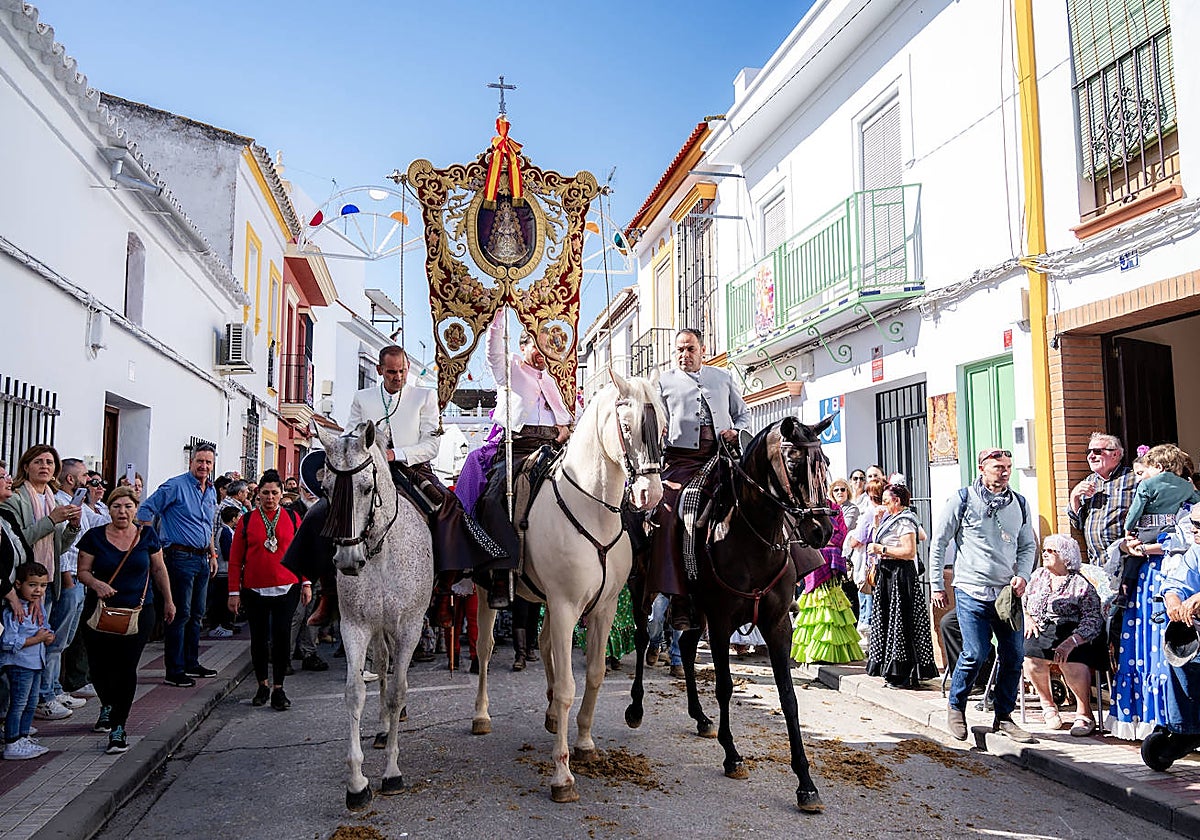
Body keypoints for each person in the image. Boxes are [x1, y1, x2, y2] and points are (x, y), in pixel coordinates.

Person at [344, 345, 505, 609]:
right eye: (391, 372)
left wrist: (396, 454)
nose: (398, 377)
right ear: (379, 370)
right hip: (368, 471)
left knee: (450, 509)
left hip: (411, 469)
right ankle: (327, 592)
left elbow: (431, 446)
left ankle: (445, 584)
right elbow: (349, 434)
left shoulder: (424, 397)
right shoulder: (362, 398)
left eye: (402, 371)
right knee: (326, 510)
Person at [931, 448, 1037, 743]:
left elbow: (1028, 545)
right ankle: (956, 705)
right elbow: (939, 541)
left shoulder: (1019, 503)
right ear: (981, 468)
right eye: (997, 467)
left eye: (1008, 467)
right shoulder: (964, 499)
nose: (1004, 472)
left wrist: (1024, 575)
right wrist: (936, 582)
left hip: (1006, 593)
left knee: (1014, 655)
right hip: (971, 590)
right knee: (975, 652)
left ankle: (1003, 717)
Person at [648, 328, 750, 629]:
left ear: (702, 350)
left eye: (690, 349)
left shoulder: (722, 377)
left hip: (721, 457)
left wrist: (736, 431)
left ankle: (781, 580)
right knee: (667, 513)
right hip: (681, 461)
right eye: (679, 349)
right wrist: (660, 432)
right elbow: (654, 421)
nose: (684, 354)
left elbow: (743, 414)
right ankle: (679, 595)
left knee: (761, 497)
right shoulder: (663, 382)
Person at [477, 312, 572, 607]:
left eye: (550, 348)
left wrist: (567, 428)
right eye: (539, 347)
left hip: (555, 448)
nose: (545, 354)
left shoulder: (556, 379)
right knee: (493, 499)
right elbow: (494, 348)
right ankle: (501, 573)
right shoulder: (510, 368)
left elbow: (569, 417)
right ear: (525, 345)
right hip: (517, 448)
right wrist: (502, 311)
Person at [76, 487, 176, 753]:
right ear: (109, 509)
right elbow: (82, 571)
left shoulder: (147, 535)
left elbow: (158, 568)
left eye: (128, 506)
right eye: (117, 506)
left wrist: (168, 600)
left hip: (139, 611)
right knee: (98, 666)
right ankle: (107, 703)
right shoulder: (94, 537)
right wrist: (97, 584)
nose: (122, 511)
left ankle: (119, 727)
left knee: (126, 667)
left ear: (136, 509)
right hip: (99, 611)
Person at [0, 445, 81, 720]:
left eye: (50, 462)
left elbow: (57, 546)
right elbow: (20, 540)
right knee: (23, 649)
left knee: (44, 642)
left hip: (46, 579)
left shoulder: (51, 498)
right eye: (38, 462)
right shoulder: (17, 499)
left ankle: (35, 702)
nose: (45, 466)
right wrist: (50, 520)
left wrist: (71, 527)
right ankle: (21, 711)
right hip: (24, 584)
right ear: (26, 466)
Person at [138, 443, 218, 688]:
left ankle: (192, 663)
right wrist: (153, 544)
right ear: (191, 462)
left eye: (208, 462)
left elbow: (208, 525)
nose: (204, 466)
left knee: (197, 615)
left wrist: (213, 554)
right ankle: (174, 670)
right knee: (179, 615)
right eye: (200, 461)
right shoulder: (175, 485)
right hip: (179, 558)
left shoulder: (211, 490)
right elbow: (145, 509)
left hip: (203, 558)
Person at [227, 470, 308, 711]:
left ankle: (279, 689)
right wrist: (233, 592)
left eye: (274, 492)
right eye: (265, 493)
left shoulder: (293, 518)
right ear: (257, 494)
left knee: (282, 638)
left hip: (287, 587)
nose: (270, 497)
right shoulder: (247, 520)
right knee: (259, 639)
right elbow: (235, 559)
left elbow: (301, 553)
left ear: (282, 493)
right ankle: (262, 684)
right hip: (254, 590)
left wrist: (306, 583)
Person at [1022, 534, 1106, 735]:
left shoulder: (1081, 584)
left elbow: (1093, 619)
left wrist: (1072, 641)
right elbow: (1022, 603)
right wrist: (1027, 618)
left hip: (1075, 633)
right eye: (1044, 550)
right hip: (1041, 627)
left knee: (1071, 661)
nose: (1045, 554)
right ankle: (1048, 706)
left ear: (1066, 556)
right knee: (1030, 655)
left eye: (1052, 550)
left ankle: (1085, 714)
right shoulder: (1037, 577)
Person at [42, 458, 103, 717]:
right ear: (71, 479)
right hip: (68, 580)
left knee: (64, 640)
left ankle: (55, 688)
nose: (88, 480)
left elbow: (93, 529)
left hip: (79, 579)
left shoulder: (78, 504)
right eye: (85, 475)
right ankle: (47, 694)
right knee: (55, 639)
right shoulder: (59, 503)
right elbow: (63, 546)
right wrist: (68, 577)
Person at [864, 483, 938, 688]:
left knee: (901, 623)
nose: (884, 505)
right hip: (889, 575)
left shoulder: (905, 520)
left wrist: (882, 549)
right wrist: (879, 522)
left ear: (896, 501)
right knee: (890, 620)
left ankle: (902, 672)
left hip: (900, 575)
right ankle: (891, 669)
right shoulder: (894, 518)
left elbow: (909, 551)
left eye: (887, 501)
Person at [1117, 444, 1200, 608]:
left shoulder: (1147, 485)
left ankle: (1124, 592)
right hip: (1169, 537)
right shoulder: (1186, 488)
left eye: (1145, 470)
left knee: (1132, 562)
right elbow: (1196, 502)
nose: (1143, 476)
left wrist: (1128, 531)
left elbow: (1135, 510)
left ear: (1159, 466)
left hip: (1149, 538)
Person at [792, 479, 863, 664]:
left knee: (832, 607)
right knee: (813, 604)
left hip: (831, 565)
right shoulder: (808, 509)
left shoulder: (835, 509)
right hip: (813, 563)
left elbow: (842, 533)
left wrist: (824, 543)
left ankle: (831, 651)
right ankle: (812, 651)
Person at [1, 562, 54, 760]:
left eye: (43, 586)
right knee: (19, 704)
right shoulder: (13, 611)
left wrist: (49, 636)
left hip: (36, 662)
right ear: (17, 584)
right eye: (32, 585)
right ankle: (12, 742)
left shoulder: (37, 607)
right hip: (20, 664)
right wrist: (37, 639)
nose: (38, 590)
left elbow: (45, 627)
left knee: (32, 703)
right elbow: (7, 642)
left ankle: (23, 737)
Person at [1158, 506, 1200, 752]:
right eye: (1193, 523)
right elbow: (1175, 582)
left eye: (1199, 525)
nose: (1194, 529)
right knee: (1181, 653)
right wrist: (1173, 600)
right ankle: (1187, 729)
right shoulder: (1196, 550)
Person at [1067, 433, 1137, 565]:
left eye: (1097, 451)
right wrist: (1074, 496)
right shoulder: (1089, 481)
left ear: (1115, 454)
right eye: (1089, 452)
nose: (1091, 456)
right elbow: (1077, 523)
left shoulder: (1133, 478)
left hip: (1126, 561)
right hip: (1097, 562)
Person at [207, 505, 241, 638]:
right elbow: (228, 553)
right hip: (223, 571)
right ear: (233, 518)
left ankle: (227, 623)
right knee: (221, 600)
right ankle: (219, 625)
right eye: (238, 517)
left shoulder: (228, 531)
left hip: (226, 571)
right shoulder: (225, 532)